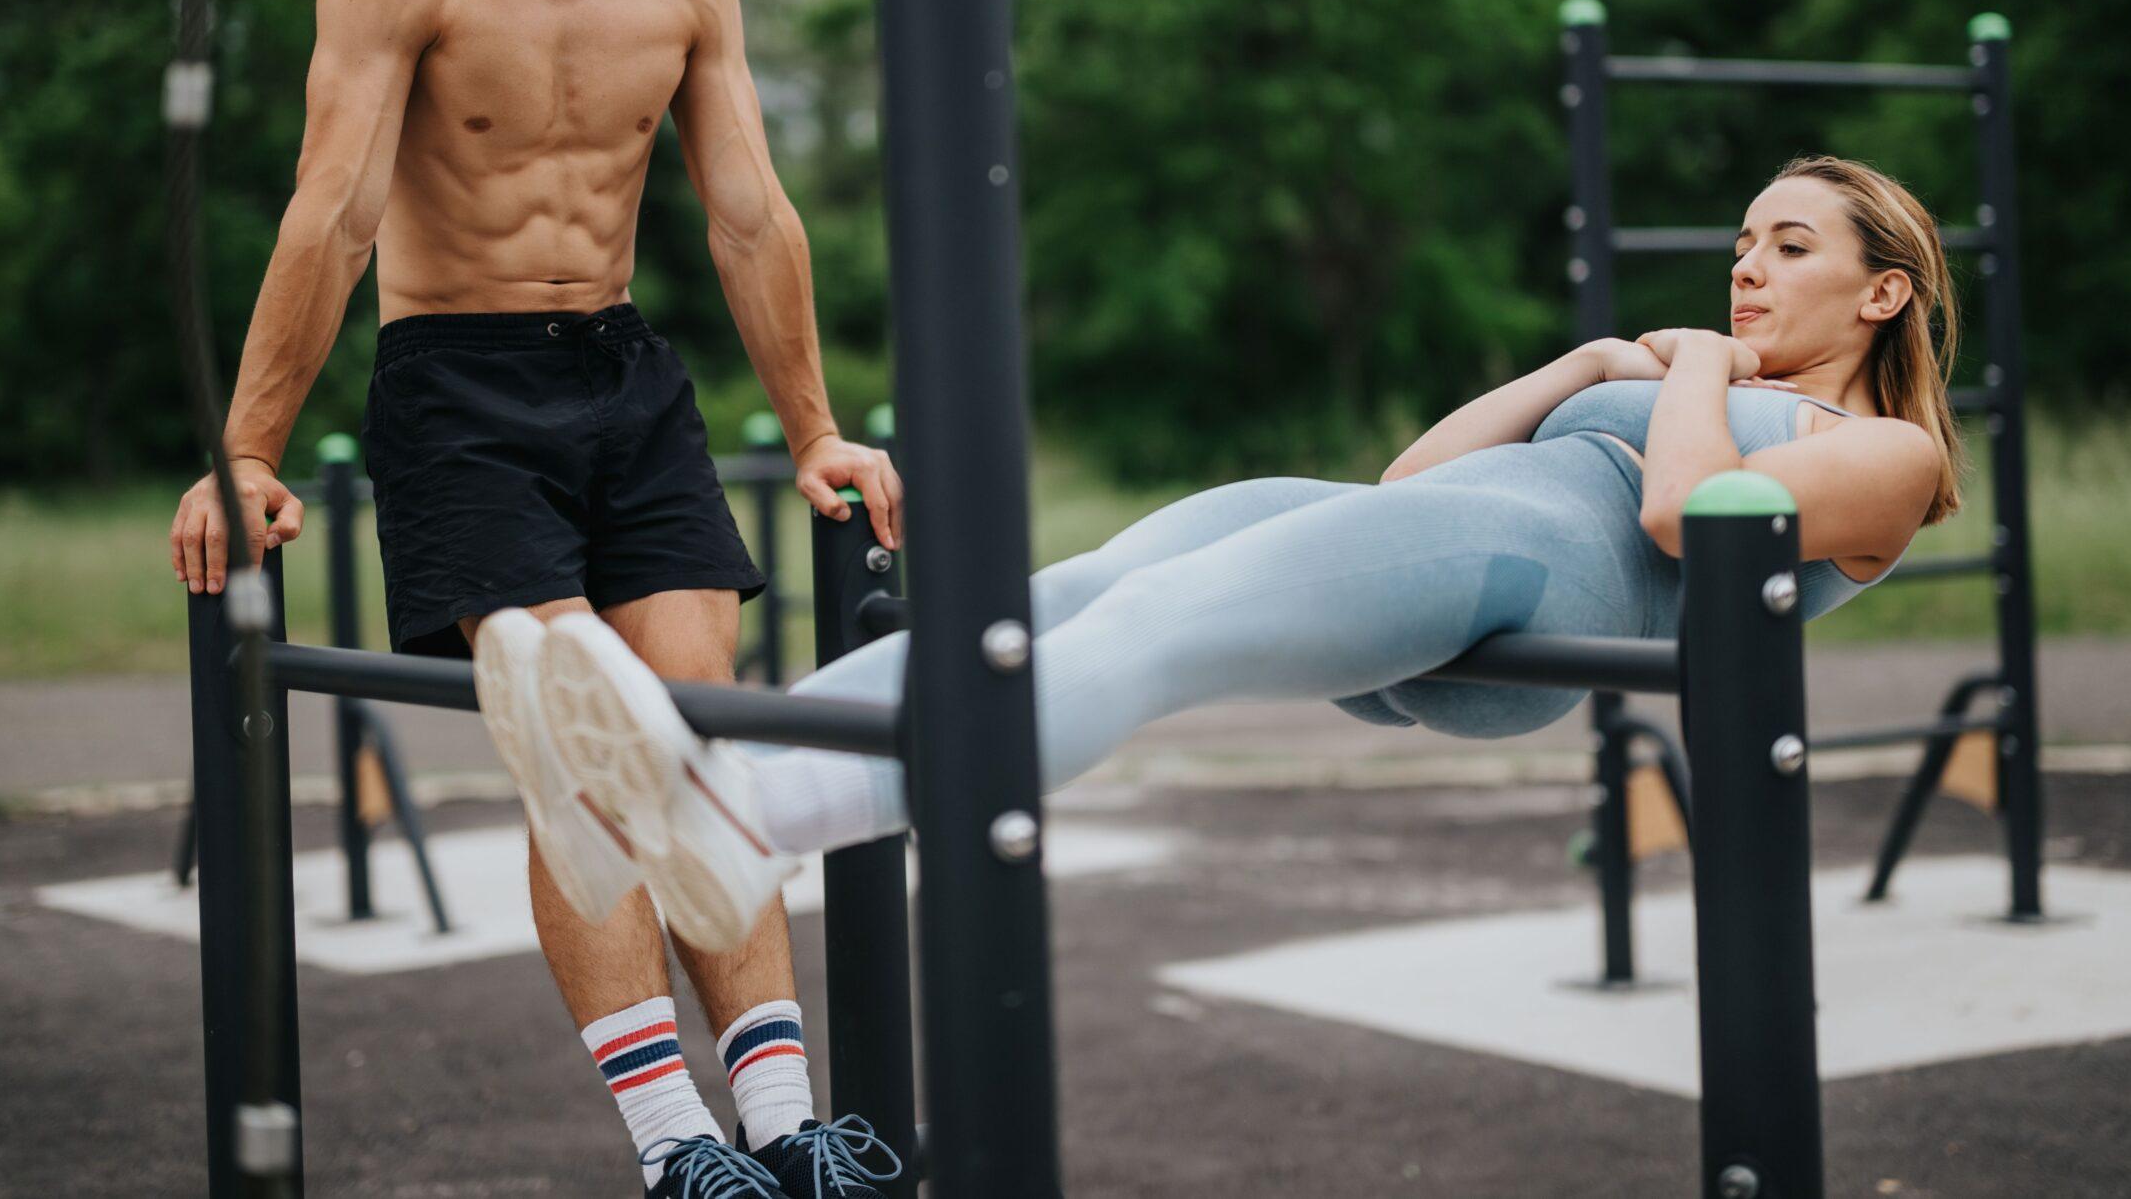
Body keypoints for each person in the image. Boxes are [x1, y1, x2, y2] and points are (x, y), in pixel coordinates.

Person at [164, 0, 903, 1199]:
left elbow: (751, 213)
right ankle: (676, 1144)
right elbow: (334, 212)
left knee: (698, 742)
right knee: (586, 754)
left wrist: (818, 425)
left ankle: (785, 1126)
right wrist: (248, 450)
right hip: (460, 388)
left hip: (626, 377)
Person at [515, 154, 1964, 924]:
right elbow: (1411, 475)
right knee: (1060, 597)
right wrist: (1591, 367)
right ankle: (667, 790)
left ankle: (761, 822)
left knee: (1152, 642)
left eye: (1790, 246)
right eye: (1743, 244)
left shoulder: (1887, 460)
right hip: (1441, 530)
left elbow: (1679, 516)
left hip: (1530, 582)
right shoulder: (1665, 388)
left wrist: (1697, 365)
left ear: (1885, 296)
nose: (1748, 266)